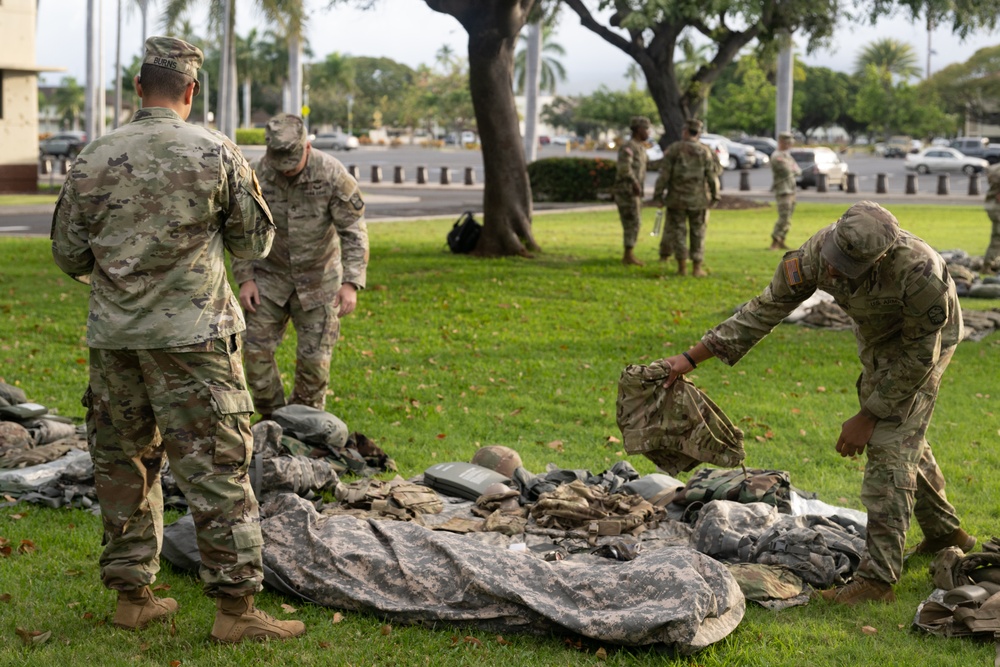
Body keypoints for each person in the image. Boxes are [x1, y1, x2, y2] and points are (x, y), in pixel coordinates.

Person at [51, 36, 305, 643]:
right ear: (190, 91)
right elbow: (255, 243)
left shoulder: (93, 156)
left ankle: (132, 595)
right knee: (217, 466)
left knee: (123, 463)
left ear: (139, 88)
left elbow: (67, 253)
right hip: (196, 337)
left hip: (116, 339)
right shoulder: (215, 151)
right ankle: (236, 612)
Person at [660, 201, 975, 606]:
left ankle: (877, 581)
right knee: (903, 438)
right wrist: (689, 359)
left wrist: (868, 415)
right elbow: (764, 309)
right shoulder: (818, 251)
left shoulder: (920, 274)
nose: (832, 270)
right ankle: (946, 532)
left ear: (879, 259)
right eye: (833, 258)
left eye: (845, 265)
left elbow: (919, 359)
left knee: (889, 444)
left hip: (926, 346)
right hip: (878, 341)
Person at [232, 113, 369, 418]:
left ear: (307, 146)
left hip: (320, 281)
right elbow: (241, 228)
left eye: (292, 162)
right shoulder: (255, 173)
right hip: (269, 279)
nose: (286, 170)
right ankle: (274, 419)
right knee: (254, 354)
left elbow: (353, 231)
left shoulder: (332, 173)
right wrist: (245, 279)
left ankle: (305, 428)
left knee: (314, 364)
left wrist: (351, 283)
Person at [652, 118, 720, 277]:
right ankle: (697, 268)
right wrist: (715, 195)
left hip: (677, 200)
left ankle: (682, 267)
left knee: (679, 233)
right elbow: (711, 175)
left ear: (685, 131)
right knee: (698, 233)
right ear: (698, 133)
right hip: (699, 200)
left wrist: (658, 194)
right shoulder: (704, 151)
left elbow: (664, 175)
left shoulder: (675, 149)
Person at [613, 116, 655, 266]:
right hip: (627, 191)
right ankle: (628, 255)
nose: (648, 132)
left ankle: (629, 253)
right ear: (638, 130)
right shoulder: (628, 147)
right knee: (632, 221)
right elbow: (624, 169)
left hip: (634, 191)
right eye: (646, 129)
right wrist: (635, 184)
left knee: (634, 222)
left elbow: (647, 166)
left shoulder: (640, 147)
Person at [769, 131, 801, 250]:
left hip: (791, 190)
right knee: (783, 217)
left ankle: (782, 239)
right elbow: (787, 170)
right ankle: (775, 240)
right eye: (787, 143)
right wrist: (792, 168)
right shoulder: (777, 156)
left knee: (788, 218)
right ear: (781, 142)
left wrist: (792, 168)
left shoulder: (787, 156)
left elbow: (798, 171)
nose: (789, 145)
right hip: (783, 191)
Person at [982, 161, 1000, 272]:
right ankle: (987, 265)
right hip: (997, 208)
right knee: (997, 238)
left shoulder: (995, 169)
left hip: (994, 207)